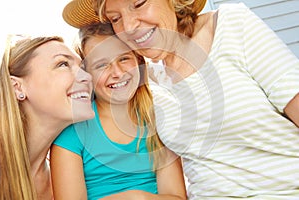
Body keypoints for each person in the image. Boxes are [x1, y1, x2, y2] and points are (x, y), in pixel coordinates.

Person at [62, 0, 299, 199]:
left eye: (138, 3)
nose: (129, 26)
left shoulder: (232, 25)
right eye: (115, 19)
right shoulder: (146, 79)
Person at [50, 22, 187, 200]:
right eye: (101, 65)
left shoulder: (158, 119)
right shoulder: (72, 133)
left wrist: (140, 198)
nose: (117, 72)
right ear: (86, 75)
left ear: (138, 61)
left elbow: (176, 197)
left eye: (123, 59)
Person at [0, 35, 94, 200]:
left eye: (83, 67)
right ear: (17, 87)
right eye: (63, 64)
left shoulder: (68, 179)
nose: (87, 76)